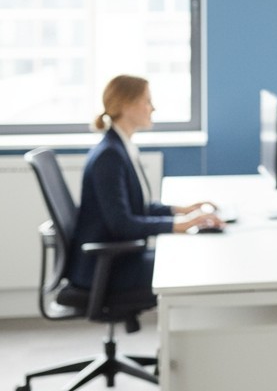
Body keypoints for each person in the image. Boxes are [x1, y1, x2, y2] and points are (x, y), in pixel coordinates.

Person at [69, 75, 223, 295]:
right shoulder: (109, 156)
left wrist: (181, 211)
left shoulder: (119, 147)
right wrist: (178, 224)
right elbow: (122, 224)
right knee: (190, 269)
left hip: (118, 260)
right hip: (106, 269)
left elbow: (134, 207)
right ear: (126, 105)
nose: (153, 108)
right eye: (147, 101)